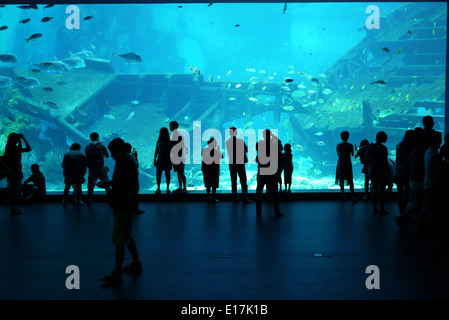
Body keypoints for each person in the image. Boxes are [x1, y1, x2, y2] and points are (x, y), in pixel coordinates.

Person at [97, 138, 142, 286]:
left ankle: (117, 273)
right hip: (122, 205)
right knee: (127, 236)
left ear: (119, 150)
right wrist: (107, 183)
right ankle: (136, 263)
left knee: (119, 240)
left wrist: (129, 208)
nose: (112, 155)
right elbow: (121, 181)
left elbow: (131, 186)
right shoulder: (126, 160)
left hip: (123, 206)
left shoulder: (125, 161)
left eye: (112, 152)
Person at [416, 131, 445, 238]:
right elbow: (440, 169)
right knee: (429, 208)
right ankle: (418, 229)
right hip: (432, 185)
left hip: (429, 184)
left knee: (433, 208)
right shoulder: (433, 154)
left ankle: (441, 229)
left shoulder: (429, 151)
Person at [255, 129, 284, 218]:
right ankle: (276, 211)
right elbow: (281, 148)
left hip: (262, 170)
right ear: (270, 135)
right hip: (271, 170)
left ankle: (258, 211)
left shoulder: (259, 144)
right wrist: (276, 139)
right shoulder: (273, 144)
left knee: (259, 191)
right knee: (275, 192)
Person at [3, 133, 32, 215]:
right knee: (15, 191)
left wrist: (19, 141)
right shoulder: (15, 149)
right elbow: (28, 148)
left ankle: (14, 208)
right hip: (16, 172)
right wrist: (23, 138)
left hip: (11, 172)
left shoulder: (8, 148)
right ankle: (13, 210)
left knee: (13, 191)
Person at [225, 127, 251, 204]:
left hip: (232, 163)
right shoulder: (240, 141)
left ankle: (235, 198)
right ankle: (245, 197)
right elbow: (246, 150)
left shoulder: (227, 142)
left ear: (230, 133)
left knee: (233, 181)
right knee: (243, 181)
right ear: (236, 132)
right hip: (240, 163)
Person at [85, 132, 111, 206]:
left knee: (90, 185)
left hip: (92, 168)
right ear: (98, 137)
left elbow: (87, 157)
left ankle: (89, 200)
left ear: (90, 138)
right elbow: (107, 155)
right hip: (101, 167)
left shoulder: (87, 146)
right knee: (106, 183)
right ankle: (111, 200)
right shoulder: (102, 145)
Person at [367, 131, 389, 215]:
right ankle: (382, 208)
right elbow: (385, 161)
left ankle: (375, 209)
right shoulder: (383, 148)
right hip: (380, 169)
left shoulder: (371, 146)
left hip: (372, 168)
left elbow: (366, 158)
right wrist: (387, 171)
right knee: (382, 189)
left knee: (374, 188)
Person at [394, 130, 414, 215]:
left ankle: (401, 211)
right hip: (407, 170)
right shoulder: (411, 147)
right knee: (406, 191)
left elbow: (398, 160)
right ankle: (403, 211)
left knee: (400, 192)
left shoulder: (399, 145)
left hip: (399, 170)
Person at [62, 143, 87, 207]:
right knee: (78, 187)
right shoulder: (81, 154)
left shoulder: (67, 154)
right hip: (78, 172)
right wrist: (83, 174)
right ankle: (78, 200)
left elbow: (64, 165)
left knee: (67, 187)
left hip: (69, 172)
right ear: (79, 148)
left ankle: (65, 201)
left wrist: (64, 174)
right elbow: (84, 166)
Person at [335, 131, 357, 203]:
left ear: (341, 137)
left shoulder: (338, 145)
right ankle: (352, 196)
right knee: (350, 179)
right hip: (348, 162)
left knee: (341, 178)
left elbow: (338, 154)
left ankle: (343, 194)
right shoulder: (350, 145)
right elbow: (352, 154)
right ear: (348, 137)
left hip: (341, 162)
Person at [202, 137, 223, 203]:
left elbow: (202, 156)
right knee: (214, 184)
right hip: (214, 169)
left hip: (206, 169)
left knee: (208, 184)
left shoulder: (205, 150)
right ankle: (213, 197)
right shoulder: (216, 150)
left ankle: (208, 197)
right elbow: (222, 156)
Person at [125, 142, 144, 215]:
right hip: (132, 177)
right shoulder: (131, 156)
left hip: (125, 178)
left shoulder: (122, 157)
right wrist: (136, 156)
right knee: (135, 193)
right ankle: (136, 209)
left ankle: (128, 209)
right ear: (129, 149)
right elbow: (136, 165)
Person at [169, 121, 187, 194]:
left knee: (181, 172)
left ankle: (185, 187)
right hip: (175, 156)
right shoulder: (173, 134)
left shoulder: (179, 135)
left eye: (171, 126)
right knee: (178, 173)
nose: (170, 128)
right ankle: (180, 187)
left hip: (180, 156)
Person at [154, 127, 172, 194]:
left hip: (167, 160)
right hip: (160, 159)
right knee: (158, 174)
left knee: (167, 174)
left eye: (164, 132)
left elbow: (170, 151)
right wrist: (154, 159)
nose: (163, 133)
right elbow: (156, 150)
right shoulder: (158, 141)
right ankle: (158, 187)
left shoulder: (169, 141)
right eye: (162, 132)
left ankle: (167, 188)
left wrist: (166, 158)